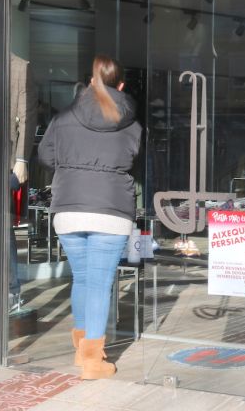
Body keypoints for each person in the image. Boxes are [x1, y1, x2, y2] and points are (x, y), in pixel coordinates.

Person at [38, 54, 141, 380]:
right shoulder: (133, 124)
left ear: (91, 82)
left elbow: (45, 156)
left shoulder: (64, 117)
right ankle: (93, 361)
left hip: (68, 208)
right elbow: (135, 158)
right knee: (99, 284)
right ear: (121, 86)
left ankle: (82, 349)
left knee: (82, 280)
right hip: (110, 210)